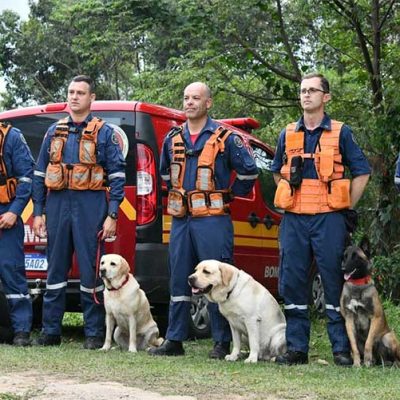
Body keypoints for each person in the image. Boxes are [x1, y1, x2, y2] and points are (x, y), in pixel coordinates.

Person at [149, 82, 258, 358]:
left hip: (213, 220)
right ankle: (174, 339)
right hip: (181, 220)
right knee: (178, 280)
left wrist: (229, 195)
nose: (189, 103)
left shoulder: (227, 138)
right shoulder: (172, 138)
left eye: (195, 98)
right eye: (186, 98)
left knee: (218, 281)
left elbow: (249, 172)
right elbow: (164, 175)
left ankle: (221, 342)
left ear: (208, 103)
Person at [271, 73, 371, 366]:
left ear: (325, 97)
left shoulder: (341, 132)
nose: (306, 95)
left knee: (333, 281)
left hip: (329, 220)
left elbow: (362, 171)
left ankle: (341, 349)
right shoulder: (287, 133)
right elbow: (277, 171)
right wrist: (289, 193)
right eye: (303, 91)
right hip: (295, 220)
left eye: (312, 90)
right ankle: (297, 348)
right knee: (292, 282)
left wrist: (344, 206)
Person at [32, 75, 126, 349]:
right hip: (58, 204)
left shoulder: (105, 133)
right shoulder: (53, 132)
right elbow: (39, 173)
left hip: (90, 205)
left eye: (81, 92)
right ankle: (51, 332)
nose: (74, 97)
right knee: (55, 272)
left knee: (90, 273)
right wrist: (39, 211)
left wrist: (112, 214)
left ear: (91, 98)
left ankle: (94, 333)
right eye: (71, 92)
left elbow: (118, 176)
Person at [0, 121, 34, 347]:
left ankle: (21, 330)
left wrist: (14, 211)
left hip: (6, 213)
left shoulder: (11, 136)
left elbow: (26, 178)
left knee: (10, 269)